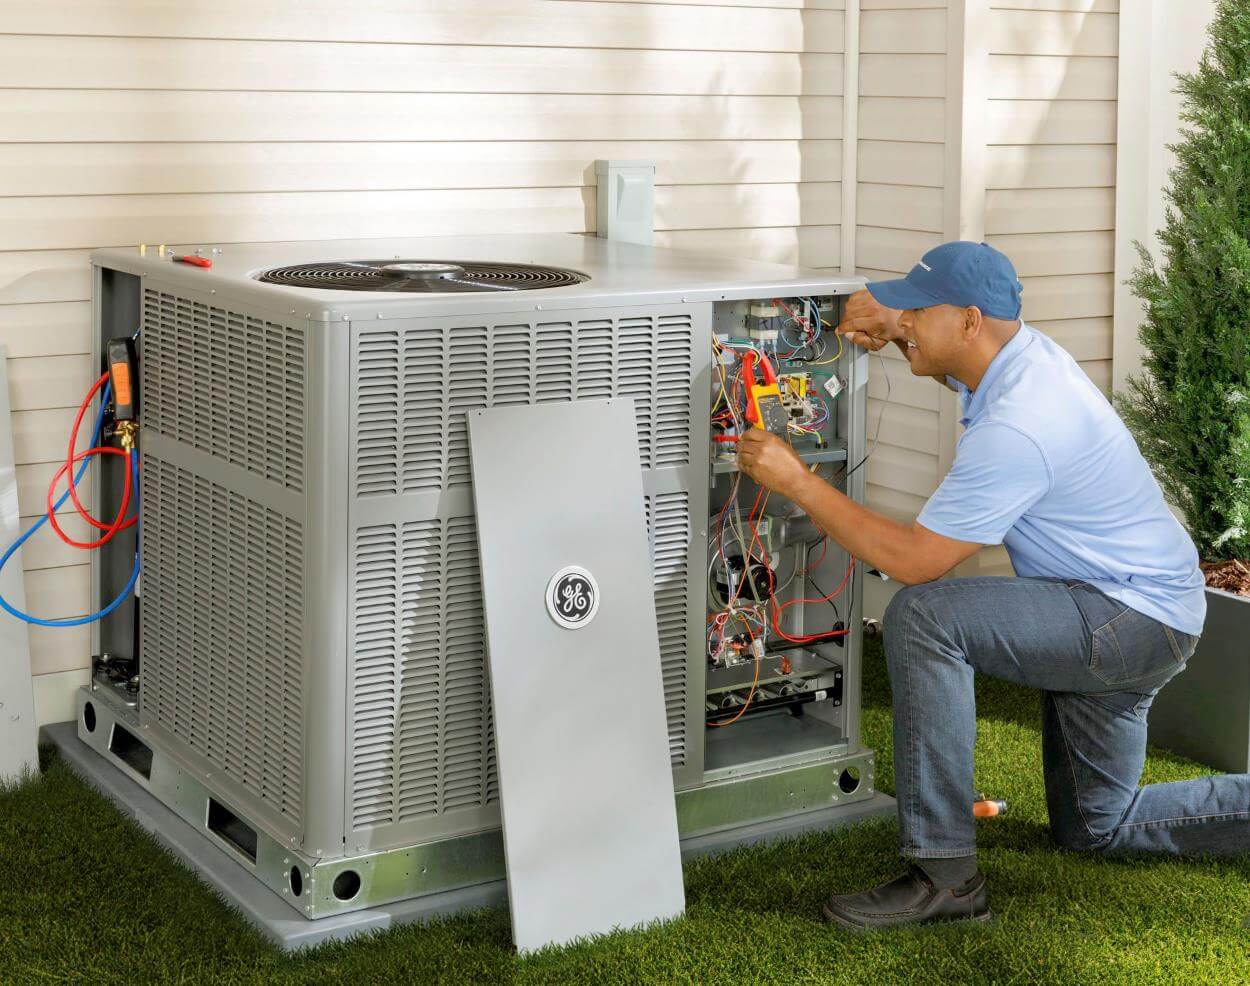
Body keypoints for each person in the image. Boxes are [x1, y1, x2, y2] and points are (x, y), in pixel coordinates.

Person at [736, 241, 1243, 932]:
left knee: (922, 616)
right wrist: (897, 328)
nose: (904, 319)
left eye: (917, 310)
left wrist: (797, 481)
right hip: (1144, 607)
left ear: (970, 321)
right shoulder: (1019, 360)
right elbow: (952, 367)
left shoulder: (1019, 423)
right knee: (1097, 828)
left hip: (1126, 618)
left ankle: (944, 877)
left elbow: (916, 561)